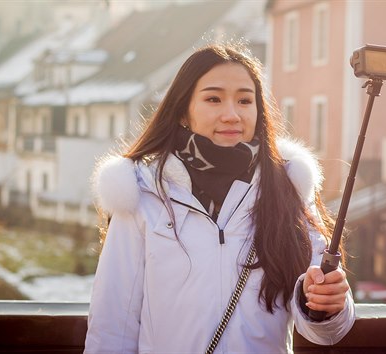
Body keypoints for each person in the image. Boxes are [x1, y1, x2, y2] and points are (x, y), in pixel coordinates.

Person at [85, 42, 355, 354]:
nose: (231, 115)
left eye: (244, 100)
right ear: (184, 111)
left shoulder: (288, 191)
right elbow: (113, 324)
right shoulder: (143, 193)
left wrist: (326, 305)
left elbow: (324, 331)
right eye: (213, 99)